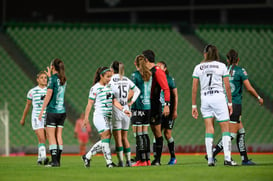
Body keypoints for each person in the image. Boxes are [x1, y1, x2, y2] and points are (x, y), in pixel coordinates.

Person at [209, 49, 264, 165]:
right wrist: (258, 97)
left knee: (241, 131)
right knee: (232, 134)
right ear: (238, 59)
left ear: (228, 60)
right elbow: (249, 88)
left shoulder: (223, 70)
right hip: (235, 104)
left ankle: (244, 159)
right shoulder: (240, 71)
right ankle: (212, 153)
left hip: (224, 103)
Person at [191, 45, 237, 166]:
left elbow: (194, 87)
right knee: (225, 128)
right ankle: (227, 159)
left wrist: (194, 106)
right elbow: (227, 86)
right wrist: (230, 103)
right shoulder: (221, 66)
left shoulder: (198, 67)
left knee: (209, 128)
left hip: (205, 98)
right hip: (219, 98)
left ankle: (210, 159)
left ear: (205, 54)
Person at [81, 66, 131, 168]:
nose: (109, 79)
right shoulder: (95, 88)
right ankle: (109, 163)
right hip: (99, 115)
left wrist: (123, 109)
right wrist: (86, 118)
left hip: (108, 116)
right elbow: (90, 103)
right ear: (101, 76)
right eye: (108, 77)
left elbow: (114, 101)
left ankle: (87, 156)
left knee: (106, 139)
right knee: (106, 135)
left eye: (110, 77)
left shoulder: (110, 87)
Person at [109, 61, 140, 167]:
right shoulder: (126, 79)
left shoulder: (111, 80)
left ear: (112, 70)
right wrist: (131, 101)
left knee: (118, 138)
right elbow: (137, 91)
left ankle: (121, 162)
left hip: (117, 110)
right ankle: (128, 161)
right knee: (125, 137)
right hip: (127, 110)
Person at [142, 50, 170, 166]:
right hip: (144, 104)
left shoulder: (158, 71)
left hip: (154, 105)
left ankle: (157, 159)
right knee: (142, 130)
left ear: (146, 60)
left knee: (156, 132)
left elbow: (166, 88)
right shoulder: (146, 72)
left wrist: (167, 105)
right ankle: (143, 158)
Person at [38, 58, 67, 167]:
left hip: (52, 111)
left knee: (51, 136)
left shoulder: (53, 79)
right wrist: (50, 77)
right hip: (62, 111)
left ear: (53, 67)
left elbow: (49, 94)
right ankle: (57, 161)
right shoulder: (63, 78)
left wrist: (42, 110)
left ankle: (54, 161)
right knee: (58, 135)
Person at [20, 71, 49, 165]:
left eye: (45, 77)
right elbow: (28, 106)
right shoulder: (32, 92)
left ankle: (39, 159)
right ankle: (44, 157)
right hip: (37, 117)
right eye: (42, 78)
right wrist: (23, 118)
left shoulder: (49, 90)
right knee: (41, 138)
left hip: (47, 117)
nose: (44, 79)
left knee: (44, 139)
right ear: (37, 80)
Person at [130, 55, 152, 166]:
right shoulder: (149, 74)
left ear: (135, 63)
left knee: (137, 134)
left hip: (137, 106)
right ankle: (147, 159)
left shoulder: (135, 75)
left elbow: (132, 91)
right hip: (147, 107)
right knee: (145, 133)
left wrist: (125, 100)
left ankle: (141, 160)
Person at [157, 61, 178, 165]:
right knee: (157, 133)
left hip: (168, 111)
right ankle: (157, 159)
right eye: (157, 66)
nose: (158, 68)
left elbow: (175, 96)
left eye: (160, 66)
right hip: (157, 110)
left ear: (165, 69)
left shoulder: (170, 79)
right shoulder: (155, 79)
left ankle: (173, 157)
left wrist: (174, 110)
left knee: (167, 133)